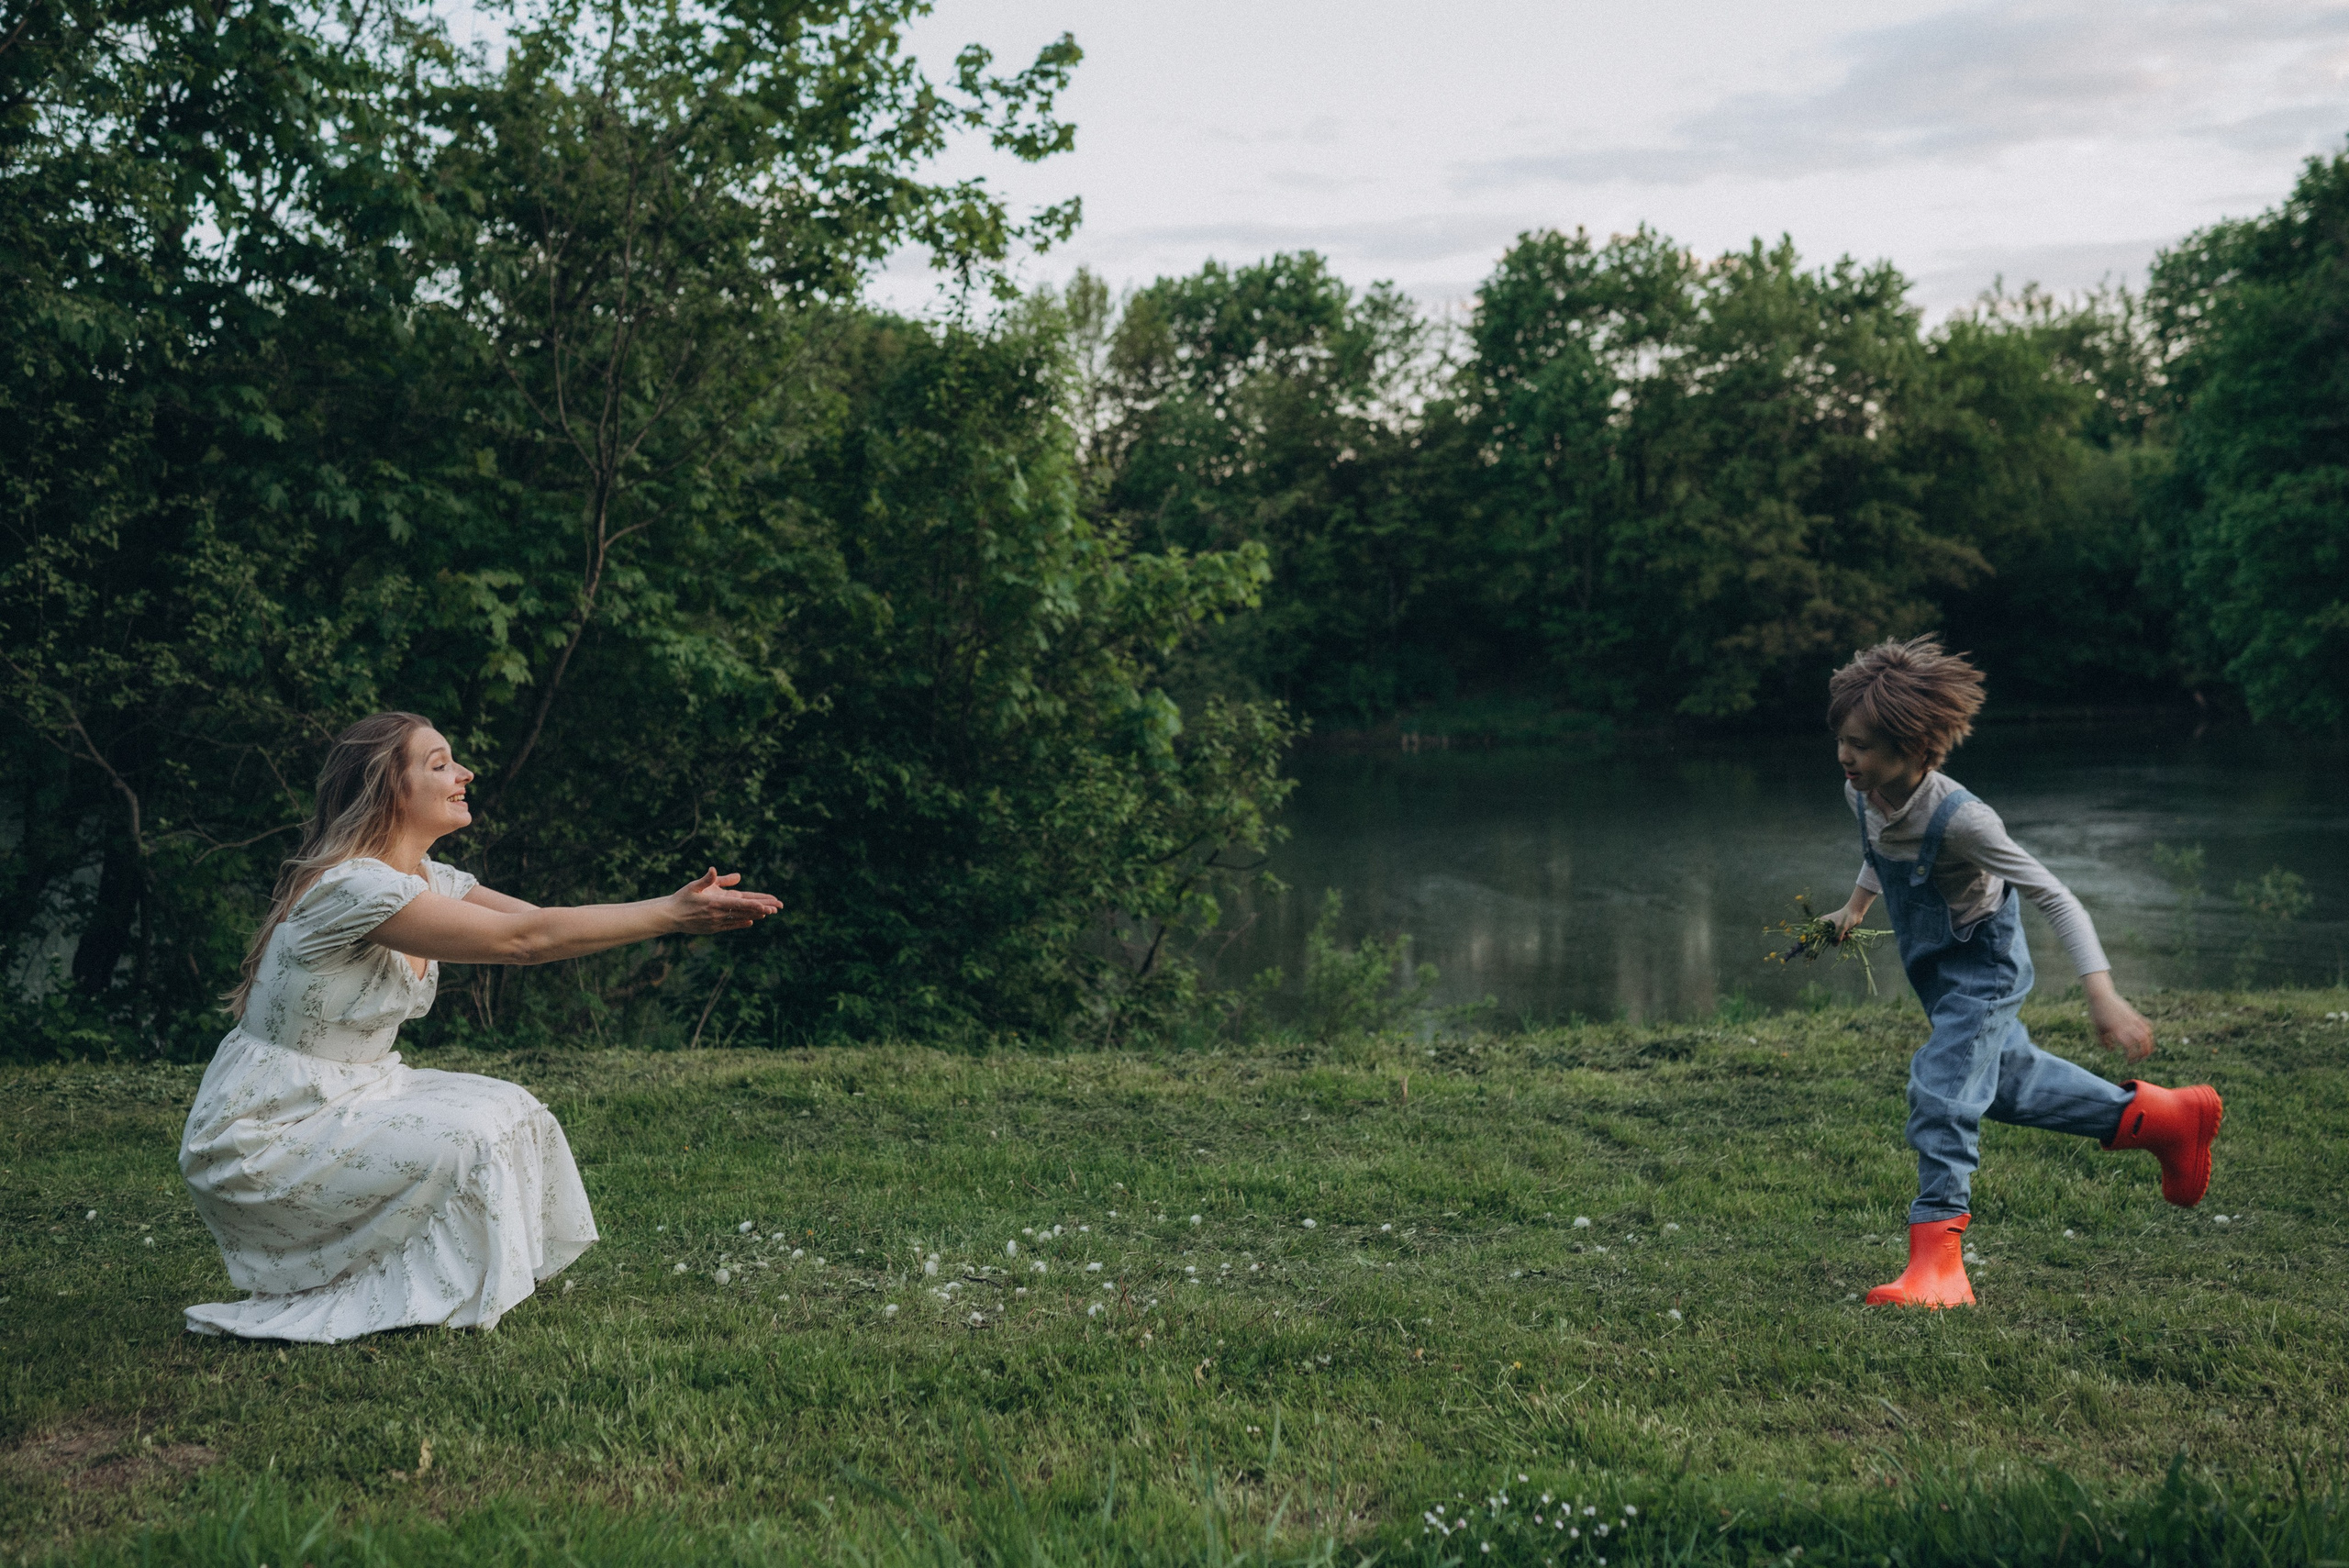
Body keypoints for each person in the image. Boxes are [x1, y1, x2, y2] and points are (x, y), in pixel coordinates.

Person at [179, 711, 779, 1342]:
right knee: (470, 1138)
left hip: (356, 1090)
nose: (464, 773)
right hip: (271, 1126)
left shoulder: (427, 877)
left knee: (512, 1111)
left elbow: (539, 923)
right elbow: (524, 942)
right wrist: (670, 914)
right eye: (440, 764)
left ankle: (446, 1280)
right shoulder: (353, 887)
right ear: (391, 788)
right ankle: (377, 1284)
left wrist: (673, 911)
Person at [1820, 639, 2221, 1308]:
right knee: (2007, 1086)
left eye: (1859, 745)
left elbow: (2055, 896)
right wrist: (1856, 906)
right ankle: (2164, 1120)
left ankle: (1939, 1267)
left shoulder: (1965, 820)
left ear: (1914, 748)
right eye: (1841, 739)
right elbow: (1882, 847)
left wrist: (2101, 992)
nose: (1844, 755)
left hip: (1985, 969)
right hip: (1936, 971)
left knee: (1942, 1090)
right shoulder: (1862, 793)